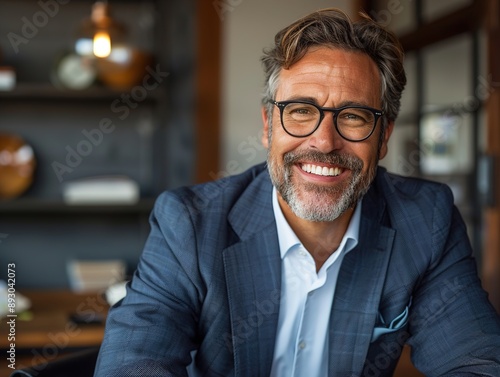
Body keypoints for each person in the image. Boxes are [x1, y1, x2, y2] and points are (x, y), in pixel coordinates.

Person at [94, 8, 500, 377]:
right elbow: (133, 363)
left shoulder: (426, 220)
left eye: (354, 116)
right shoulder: (189, 224)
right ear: (269, 125)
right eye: (302, 111)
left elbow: (476, 362)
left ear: (384, 136)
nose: (324, 142)